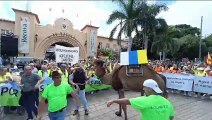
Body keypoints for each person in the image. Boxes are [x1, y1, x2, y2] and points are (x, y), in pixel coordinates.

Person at [107, 79, 175, 120]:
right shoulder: (167, 102)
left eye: (144, 87)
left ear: (150, 89)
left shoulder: (144, 100)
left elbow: (127, 101)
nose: (143, 89)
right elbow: (171, 117)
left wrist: (113, 100)